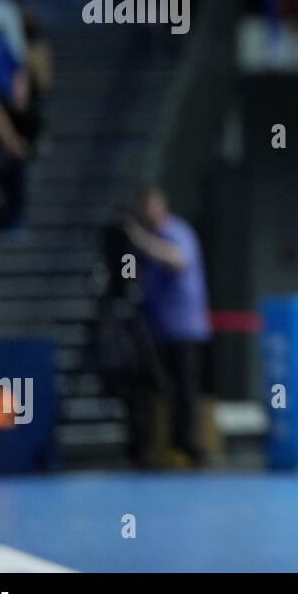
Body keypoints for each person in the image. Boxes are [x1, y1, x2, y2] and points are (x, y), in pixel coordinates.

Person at [122, 184, 211, 467]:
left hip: (184, 327)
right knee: (161, 390)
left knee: (185, 390)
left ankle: (187, 447)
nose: (147, 212)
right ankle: (158, 445)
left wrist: (140, 240)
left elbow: (178, 260)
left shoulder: (176, 232)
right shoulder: (153, 238)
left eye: (151, 205)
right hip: (159, 329)